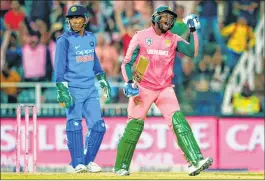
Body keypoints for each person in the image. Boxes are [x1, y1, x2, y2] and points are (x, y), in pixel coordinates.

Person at [113, 6, 213, 176]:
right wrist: (129, 81)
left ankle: (195, 161)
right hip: (142, 87)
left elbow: (192, 52)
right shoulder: (141, 36)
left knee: (178, 120)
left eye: (170, 18)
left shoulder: (173, 39)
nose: (168, 21)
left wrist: (193, 31)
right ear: (155, 18)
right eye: (165, 17)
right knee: (134, 126)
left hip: (165, 88)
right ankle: (120, 167)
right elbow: (127, 63)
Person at [54, 4, 111, 173]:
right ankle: (76, 163)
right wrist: (61, 88)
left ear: (85, 19)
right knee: (75, 123)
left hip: (90, 88)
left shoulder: (91, 37)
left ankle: (87, 161)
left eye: (78, 17)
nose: (75, 21)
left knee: (99, 126)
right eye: (71, 18)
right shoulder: (64, 40)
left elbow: (93, 59)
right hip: (73, 89)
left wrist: (101, 77)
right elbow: (59, 67)